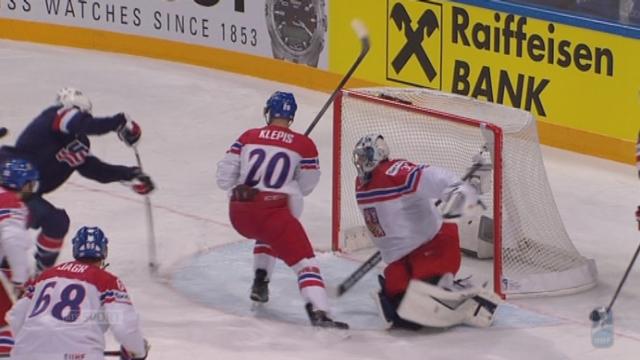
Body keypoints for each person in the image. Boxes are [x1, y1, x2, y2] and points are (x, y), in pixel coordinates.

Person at [216, 91, 348, 329]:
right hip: (273, 213)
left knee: (267, 234)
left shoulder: (248, 136)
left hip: (239, 213)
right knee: (306, 263)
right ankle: (320, 312)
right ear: (292, 116)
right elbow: (306, 187)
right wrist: (291, 174)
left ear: (268, 111)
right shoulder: (303, 145)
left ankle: (260, 280)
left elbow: (224, 178)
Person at [0, 87, 155, 276]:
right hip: (6, 182)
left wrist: (129, 175)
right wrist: (118, 122)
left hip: (25, 194)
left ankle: (39, 277)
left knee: (56, 222)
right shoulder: (55, 116)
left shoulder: (79, 142)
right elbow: (82, 124)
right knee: (12, 232)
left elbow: (95, 169)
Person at [352, 134, 500, 330]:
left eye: (365, 156)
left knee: (421, 295)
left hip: (434, 243)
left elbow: (431, 175)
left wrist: (456, 189)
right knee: (400, 307)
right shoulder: (361, 184)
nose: (361, 162)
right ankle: (442, 290)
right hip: (403, 258)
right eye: (359, 157)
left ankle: (471, 302)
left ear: (378, 154)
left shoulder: (395, 172)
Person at [8, 226, 150, 360]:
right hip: (78, 354)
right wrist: (137, 350)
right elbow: (124, 326)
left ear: (75, 249)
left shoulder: (45, 276)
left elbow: (16, 317)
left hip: (26, 352)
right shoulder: (106, 280)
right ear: (104, 251)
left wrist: (33, 344)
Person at [0, 159, 39, 355]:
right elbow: (13, 241)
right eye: (30, 184)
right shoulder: (11, 202)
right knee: (6, 320)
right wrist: (20, 280)